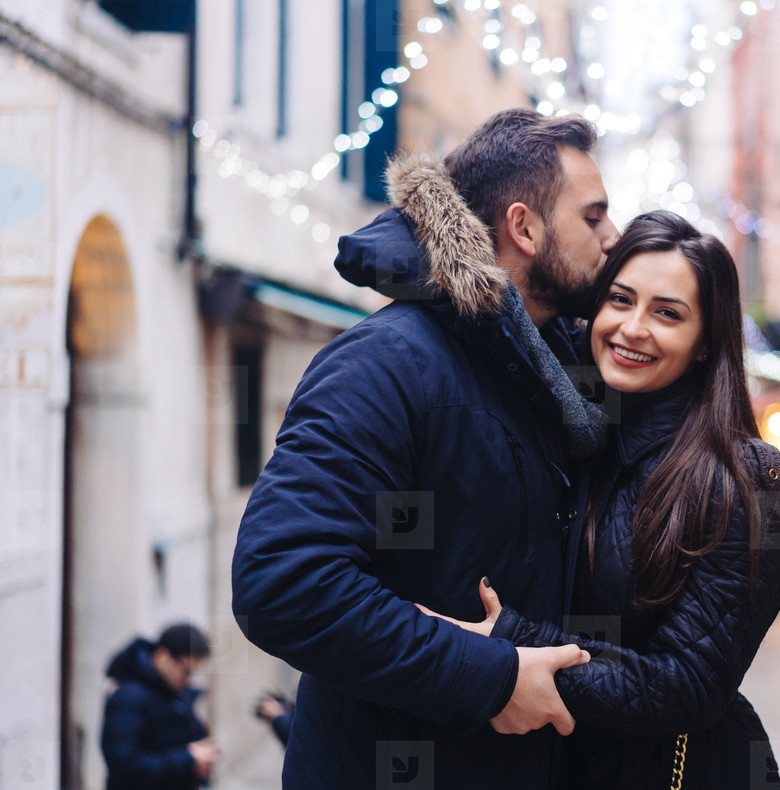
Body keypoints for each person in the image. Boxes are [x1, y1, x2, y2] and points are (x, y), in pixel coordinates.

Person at [231, 107, 619, 790]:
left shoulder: (555, 381)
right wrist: (492, 678)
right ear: (524, 227)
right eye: (593, 218)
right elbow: (283, 582)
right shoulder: (385, 363)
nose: (613, 239)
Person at [421, 211, 780, 789]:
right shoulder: (573, 431)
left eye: (667, 313)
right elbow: (501, 312)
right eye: (620, 299)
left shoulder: (738, 479)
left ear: (704, 344)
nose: (632, 328)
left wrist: (514, 644)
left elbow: (688, 684)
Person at [100, 623, 218, 789]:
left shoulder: (176, 692)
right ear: (163, 657)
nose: (188, 679)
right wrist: (188, 758)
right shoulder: (128, 697)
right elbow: (124, 765)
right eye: (185, 671)